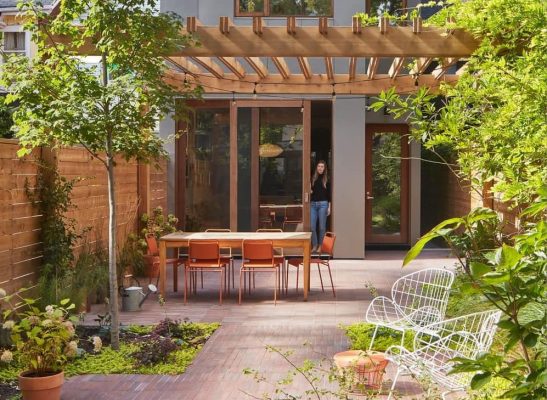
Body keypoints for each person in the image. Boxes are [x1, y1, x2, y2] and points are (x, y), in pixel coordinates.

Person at [310, 160, 331, 252]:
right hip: (313, 205)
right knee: (312, 227)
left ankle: (320, 245)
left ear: (324, 168)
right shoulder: (313, 178)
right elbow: (310, 191)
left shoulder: (327, 179)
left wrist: (329, 207)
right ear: (316, 168)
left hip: (323, 204)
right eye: (319, 166)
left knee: (322, 227)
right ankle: (314, 245)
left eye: (322, 166)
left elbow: (329, 194)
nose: (320, 168)